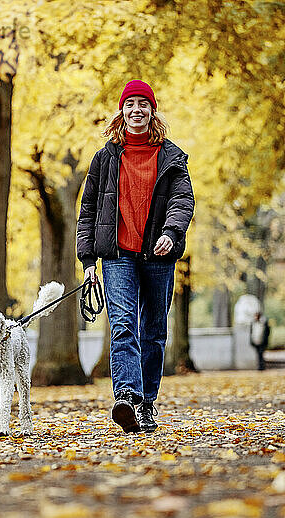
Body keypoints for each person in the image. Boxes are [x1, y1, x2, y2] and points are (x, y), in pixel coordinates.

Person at [76, 79, 195, 434]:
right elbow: (88, 211)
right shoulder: (105, 158)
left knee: (154, 330)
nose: (137, 109)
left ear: (152, 111)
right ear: (122, 111)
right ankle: (126, 398)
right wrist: (87, 264)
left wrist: (171, 234)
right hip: (117, 256)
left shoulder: (172, 157)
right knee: (124, 325)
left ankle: (146, 403)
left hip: (158, 256)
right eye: (130, 104)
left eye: (144, 103)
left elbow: (183, 202)